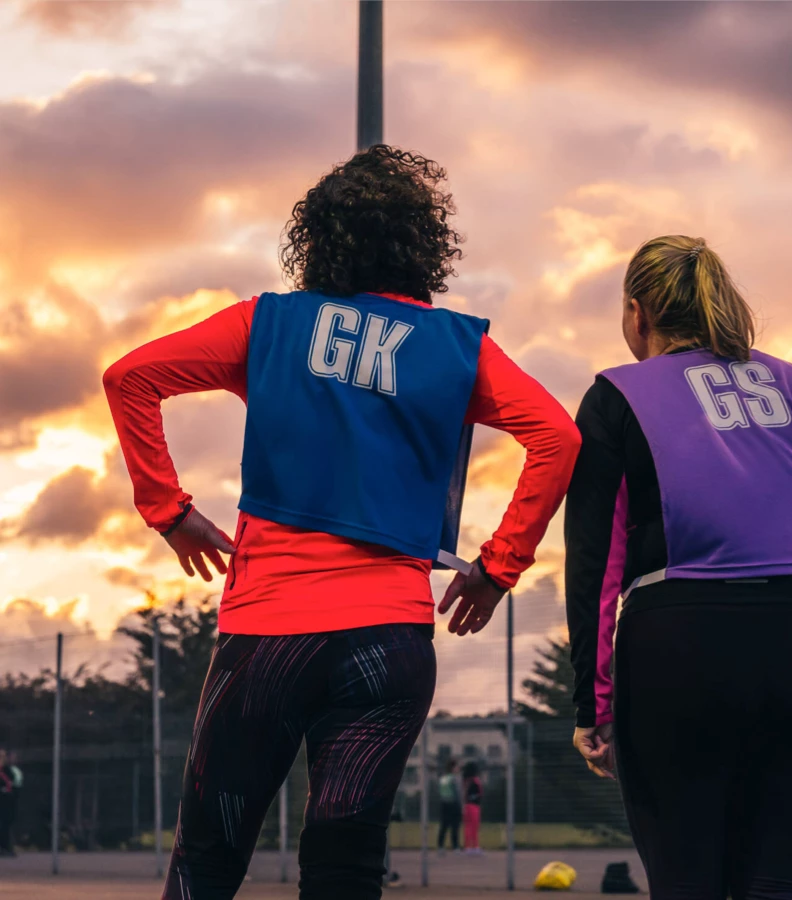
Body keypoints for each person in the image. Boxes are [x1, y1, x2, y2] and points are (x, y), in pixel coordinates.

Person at [104, 145, 581, 900]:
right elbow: (559, 437)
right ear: (423, 245)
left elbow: (130, 377)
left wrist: (170, 511)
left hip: (267, 635)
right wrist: (496, 568)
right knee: (346, 872)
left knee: (207, 861)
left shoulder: (270, 323)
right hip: (387, 642)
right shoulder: (458, 346)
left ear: (318, 239)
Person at [565, 234, 792, 900]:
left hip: (682, 644)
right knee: (780, 884)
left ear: (638, 314)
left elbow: (596, 563)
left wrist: (593, 702)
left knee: (688, 883)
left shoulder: (615, 396)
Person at [437, 759, 462, 853]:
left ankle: (440, 846)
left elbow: (440, 791)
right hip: (453, 803)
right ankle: (455, 847)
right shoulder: (455, 778)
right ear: (453, 768)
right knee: (455, 826)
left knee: (444, 825)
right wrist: (460, 806)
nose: (458, 768)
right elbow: (457, 793)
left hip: (444, 803)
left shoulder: (443, 778)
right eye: (457, 767)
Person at [461, 761, 483, 854]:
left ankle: (467, 847)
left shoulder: (465, 781)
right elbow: (480, 793)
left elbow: (463, 794)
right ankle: (475, 847)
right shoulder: (476, 781)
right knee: (474, 827)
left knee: (467, 827)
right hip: (474, 806)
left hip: (466, 806)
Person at [0, 749, 13, 857]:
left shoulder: (7, 770)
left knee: (5, 825)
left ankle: (5, 847)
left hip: (6, 802)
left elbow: (10, 780)